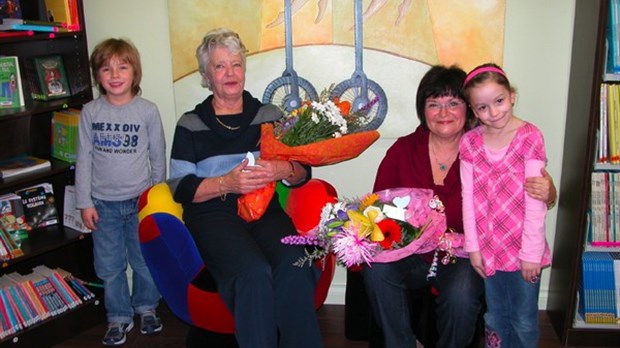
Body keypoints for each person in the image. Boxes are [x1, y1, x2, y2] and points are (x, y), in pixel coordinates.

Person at [360, 65, 556, 348]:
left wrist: (550, 193)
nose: (443, 113)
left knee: (462, 296)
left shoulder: (483, 147)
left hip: (465, 252)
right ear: (422, 110)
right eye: (434, 104)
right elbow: (380, 208)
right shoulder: (403, 150)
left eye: (453, 103)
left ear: (469, 109)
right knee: (376, 271)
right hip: (412, 253)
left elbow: (531, 191)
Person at [167, 27, 321, 348]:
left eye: (236, 64)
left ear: (245, 70)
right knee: (253, 273)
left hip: (264, 208)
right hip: (212, 213)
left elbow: (303, 172)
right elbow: (180, 188)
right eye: (219, 66)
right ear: (206, 76)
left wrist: (282, 167)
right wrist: (227, 182)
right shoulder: (190, 123)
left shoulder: (270, 115)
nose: (230, 73)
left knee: (295, 264)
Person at [75, 38, 166, 346]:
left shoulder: (148, 111)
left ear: (134, 72)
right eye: (106, 68)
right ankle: (118, 316)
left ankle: (146, 307)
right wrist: (84, 202)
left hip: (140, 202)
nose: (114, 74)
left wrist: (156, 199)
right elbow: (83, 159)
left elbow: (157, 157)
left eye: (122, 67)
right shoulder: (89, 112)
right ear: (98, 75)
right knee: (110, 266)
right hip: (103, 205)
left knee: (144, 261)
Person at [460, 63, 552, 347]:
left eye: (499, 101)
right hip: (488, 249)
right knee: (495, 316)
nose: (494, 112)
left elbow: (536, 200)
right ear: (474, 111)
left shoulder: (530, 137)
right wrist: (473, 248)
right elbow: (468, 198)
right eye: (483, 107)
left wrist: (531, 253)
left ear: (512, 95)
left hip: (523, 250)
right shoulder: (470, 143)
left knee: (523, 319)